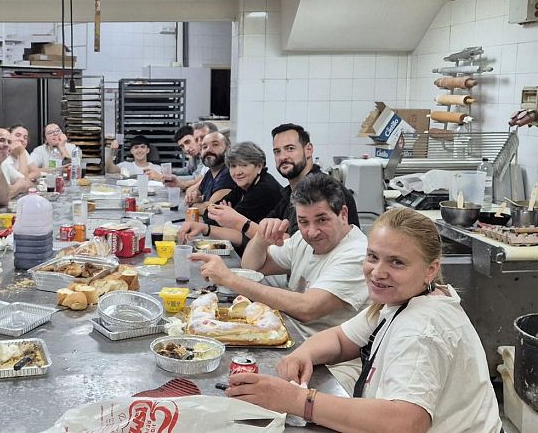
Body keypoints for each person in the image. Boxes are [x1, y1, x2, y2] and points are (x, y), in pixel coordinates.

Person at [223, 208, 502, 433]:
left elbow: (406, 422)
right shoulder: (402, 300)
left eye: (397, 263)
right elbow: (341, 338)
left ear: (430, 270)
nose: (377, 272)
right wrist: (303, 354)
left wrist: (299, 401)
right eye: (373, 257)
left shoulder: (422, 330)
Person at [192, 173, 368, 392]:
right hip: (293, 342)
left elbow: (307, 308)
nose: (312, 232)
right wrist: (261, 239)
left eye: (322, 220)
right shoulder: (303, 240)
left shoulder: (356, 254)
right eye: (303, 222)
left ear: (343, 214)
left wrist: (229, 278)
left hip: (333, 369)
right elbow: (253, 267)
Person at [184, 123, 359, 245]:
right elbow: (257, 233)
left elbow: (293, 244)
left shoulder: (321, 189)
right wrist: (204, 228)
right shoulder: (288, 193)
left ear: (308, 150)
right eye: (277, 151)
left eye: (290, 149)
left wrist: (240, 222)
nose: (283, 156)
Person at [179, 142, 282, 254]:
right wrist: (224, 218)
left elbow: (225, 224)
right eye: (233, 166)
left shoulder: (264, 189)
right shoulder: (245, 185)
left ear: (259, 167)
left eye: (244, 165)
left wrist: (226, 219)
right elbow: (211, 213)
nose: (237, 172)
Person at [186, 131, 236, 213]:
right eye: (204, 147)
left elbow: (210, 210)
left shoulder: (229, 174)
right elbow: (194, 193)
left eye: (215, 145)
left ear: (228, 149)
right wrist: (195, 198)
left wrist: (193, 205)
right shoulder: (210, 172)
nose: (208, 149)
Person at [0, 128, 33, 197]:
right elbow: (3, 196)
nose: (6, 145)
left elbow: (28, 182)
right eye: (1, 140)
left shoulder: (3, 162)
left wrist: (12, 188)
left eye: (9, 142)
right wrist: (18, 186)